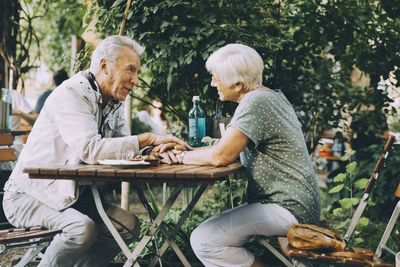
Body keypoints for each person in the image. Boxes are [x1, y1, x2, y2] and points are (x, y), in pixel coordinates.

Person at [2, 35, 188, 267]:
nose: (136, 80)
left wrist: (154, 150)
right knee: (82, 229)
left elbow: (124, 146)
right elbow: (90, 149)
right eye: (131, 70)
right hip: (30, 194)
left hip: (72, 196)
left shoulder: (113, 102)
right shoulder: (71, 94)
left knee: (127, 227)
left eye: (137, 72)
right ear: (104, 66)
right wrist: (147, 137)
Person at [159, 44, 321, 267]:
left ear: (238, 84)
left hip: (287, 207)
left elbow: (221, 156)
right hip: (294, 203)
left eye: (216, 79)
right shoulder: (268, 97)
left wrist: (180, 158)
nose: (212, 84)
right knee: (208, 233)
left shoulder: (255, 102)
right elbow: (226, 148)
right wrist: (186, 150)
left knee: (205, 239)